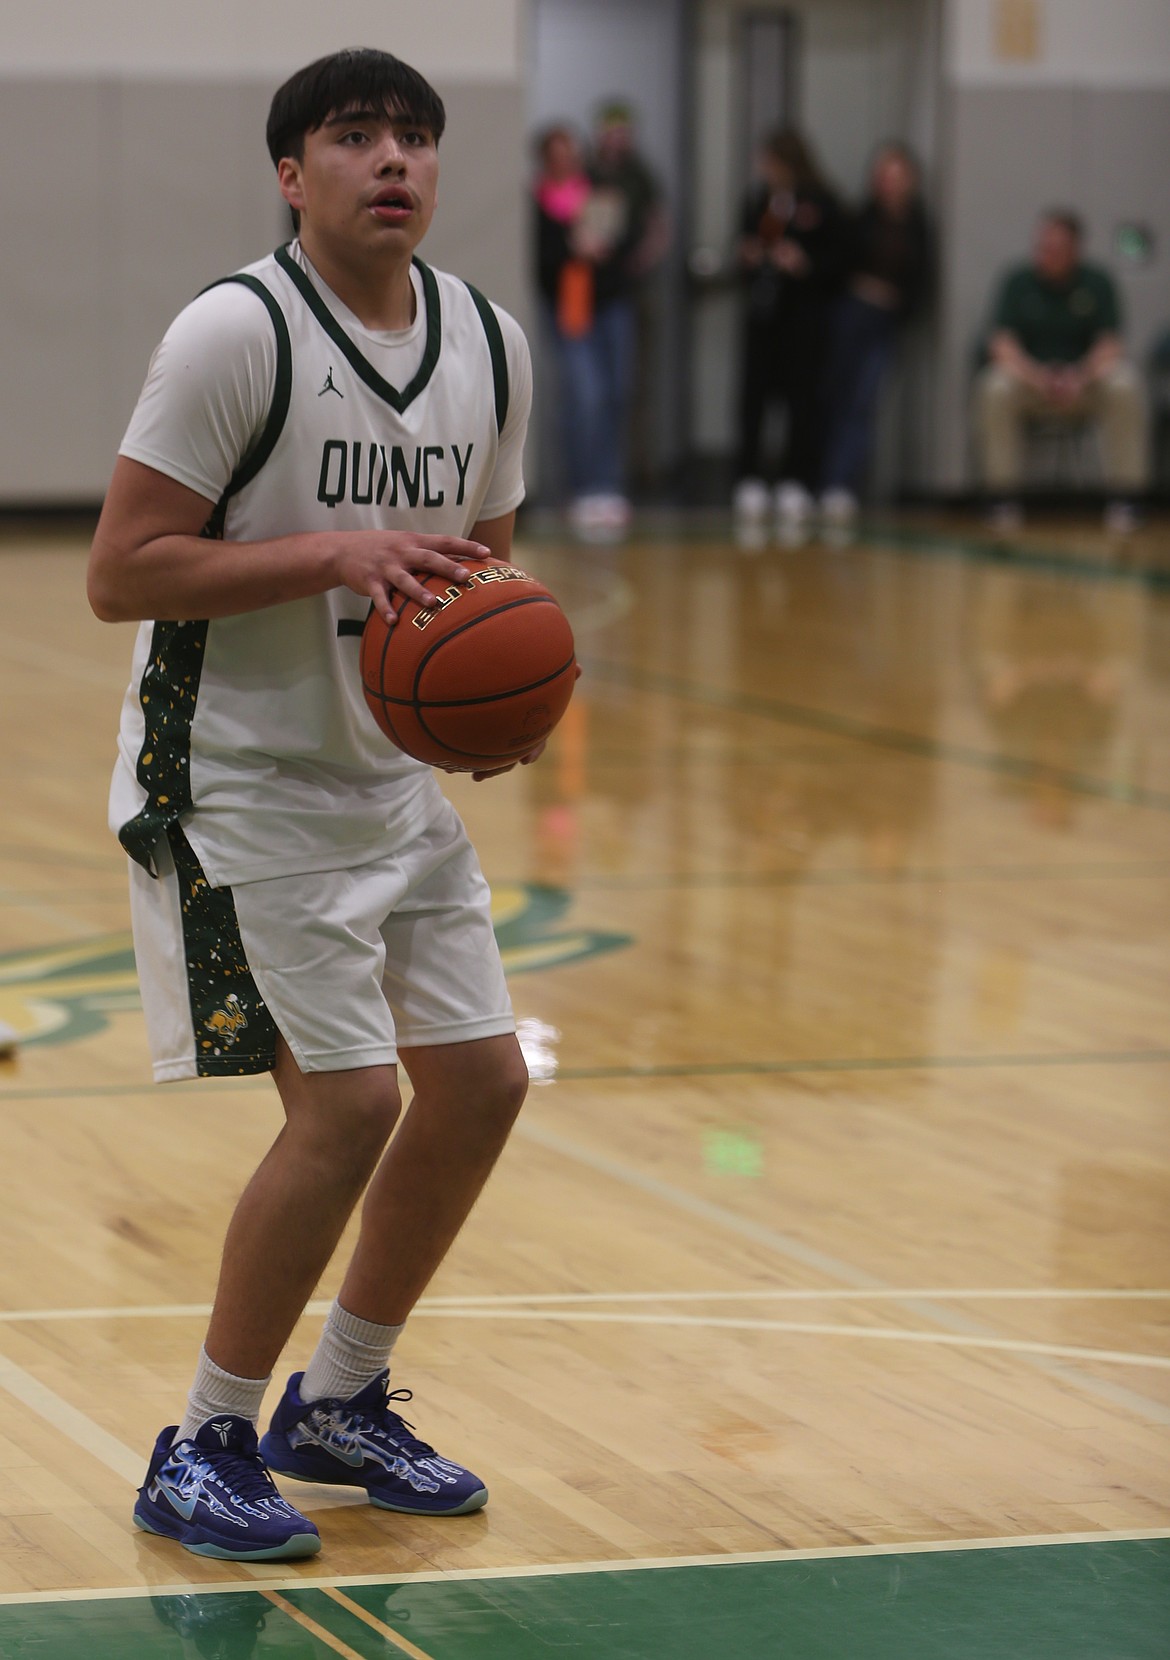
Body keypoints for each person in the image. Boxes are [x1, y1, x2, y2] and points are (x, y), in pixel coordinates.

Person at [86, 48, 538, 1562]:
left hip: (384, 780)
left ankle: (334, 1406)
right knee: (349, 1108)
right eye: (355, 137)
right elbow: (120, 572)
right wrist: (331, 553)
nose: (391, 160)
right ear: (293, 173)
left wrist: (496, 693)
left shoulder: (487, 339)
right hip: (234, 778)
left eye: (415, 135)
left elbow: (482, 569)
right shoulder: (234, 333)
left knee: (480, 1084)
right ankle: (204, 1438)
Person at [973, 210, 1148, 534]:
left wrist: (1080, 376)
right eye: (1042, 245)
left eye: (1056, 247)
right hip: (1032, 383)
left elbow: (1110, 343)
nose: (1046, 253)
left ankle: (1126, 496)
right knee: (994, 385)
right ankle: (1001, 496)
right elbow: (1001, 344)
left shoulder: (1097, 282)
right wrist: (1038, 377)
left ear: (1075, 249)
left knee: (1124, 382)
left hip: (1083, 384)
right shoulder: (1018, 281)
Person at [732, 126, 846, 533]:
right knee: (755, 396)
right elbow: (744, 242)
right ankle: (750, 477)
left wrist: (804, 263)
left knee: (803, 398)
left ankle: (798, 479)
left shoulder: (822, 202)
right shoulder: (758, 200)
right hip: (764, 313)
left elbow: (839, 260)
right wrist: (750, 255)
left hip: (804, 317)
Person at [819, 142, 931, 527]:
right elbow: (838, 267)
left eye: (896, 176)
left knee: (863, 403)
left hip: (886, 321)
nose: (889, 183)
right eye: (883, 175)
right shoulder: (861, 218)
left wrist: (897, 303)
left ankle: (844, 483)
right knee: (837, 396)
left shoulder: (918, 226)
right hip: (852, 315)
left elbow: (920, 281)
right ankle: (826, 480)